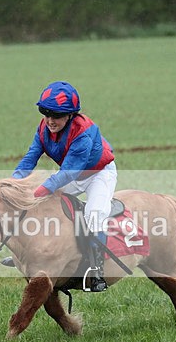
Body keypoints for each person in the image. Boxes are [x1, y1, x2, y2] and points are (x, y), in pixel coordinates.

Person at [9, 81, 117, 292]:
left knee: (94, 214)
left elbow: (68, 173)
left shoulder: (83, 132)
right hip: (73, 173)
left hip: (98, 174)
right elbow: (30, 158)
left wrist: (40, 190)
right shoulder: (43, 129)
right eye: (46, 114)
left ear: (70, 115)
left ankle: (96, 272)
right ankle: (30, 253)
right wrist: (13, 183)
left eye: (56, 116)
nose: (50, 120)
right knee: (38, 204)